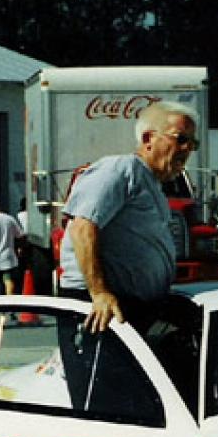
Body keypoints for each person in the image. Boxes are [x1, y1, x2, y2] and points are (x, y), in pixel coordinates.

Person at [58, 99, 197, 333]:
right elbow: (82, 227)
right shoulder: (120, 169)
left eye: (193, 143)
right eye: (181, 139)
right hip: (100, 311)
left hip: (132, 309)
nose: (188, 149)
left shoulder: (152, 184)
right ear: (148, 139)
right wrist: (99, 293)